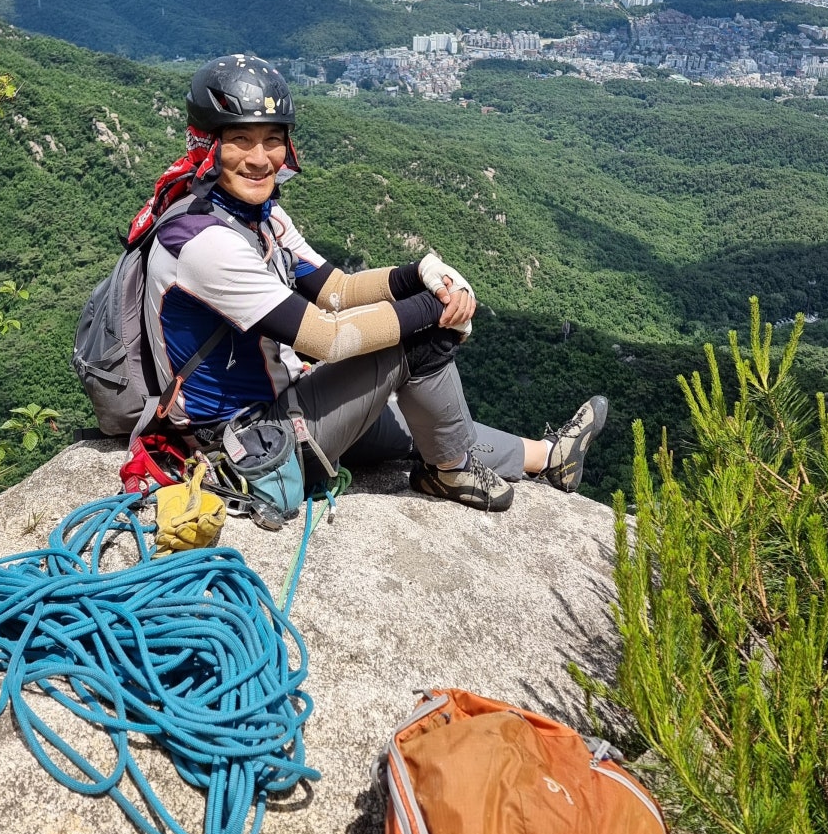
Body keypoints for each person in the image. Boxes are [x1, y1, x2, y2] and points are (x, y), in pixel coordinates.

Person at [142, 53, 607, 513]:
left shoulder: (260, 217)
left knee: (418, 421)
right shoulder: (206, 243)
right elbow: (329, 337)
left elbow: (336, 289)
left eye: (272, 140)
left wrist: (417, 274)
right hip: (246, 446)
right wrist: (435, 309)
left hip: (279, 405)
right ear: (207, 144)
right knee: (414, 343)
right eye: (240, 139)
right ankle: (449, 473)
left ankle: (548, 458)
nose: (260, 159)